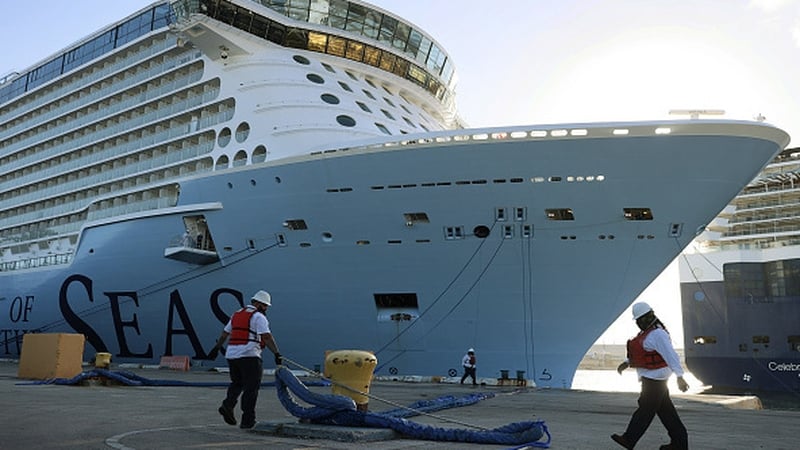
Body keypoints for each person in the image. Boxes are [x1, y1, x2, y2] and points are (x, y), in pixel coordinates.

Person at [612, 302, 689, 450]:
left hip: (655, 380)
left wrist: (680, 377)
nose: (639, 323)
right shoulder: (646, 334)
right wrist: (626, 363)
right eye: (638, 321)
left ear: (649, 317)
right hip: (652, 379)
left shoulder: (658, 334)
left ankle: (629, 439)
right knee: (667, 413)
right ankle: (679, 443)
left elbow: (671, 355)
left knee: (645, 410)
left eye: (641, 320)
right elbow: (640, 353)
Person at [209, 290, 282, 429]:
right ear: (259, 304)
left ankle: (228, 405)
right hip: (250, 355)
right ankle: (247, 420)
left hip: (232, 355)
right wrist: (277, 353)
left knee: (236, 383)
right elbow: (266, 337)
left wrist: (217, 348)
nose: (266, 309)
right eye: (265, 305)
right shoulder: (259, 317)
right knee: (251, 388)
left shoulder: (236, 314)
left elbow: (225, 334)